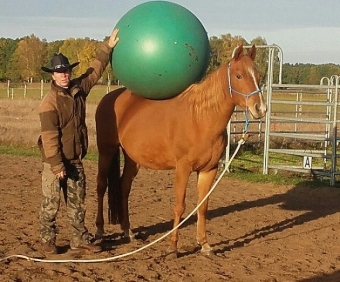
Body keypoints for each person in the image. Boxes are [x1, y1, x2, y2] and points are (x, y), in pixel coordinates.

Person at [37, 29, 119, 254]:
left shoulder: (78, 89)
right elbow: (50, 136)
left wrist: (108, 47)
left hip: (75, 159)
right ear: (52, 76)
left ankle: (79, 239)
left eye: (66, 71)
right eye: (59, 72)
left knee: (77, 203)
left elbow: (94, 71)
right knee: (51, 203)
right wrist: (56, 165)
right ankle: (48, 240)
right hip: (54, 162)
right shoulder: (49, 103)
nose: (63, 75)